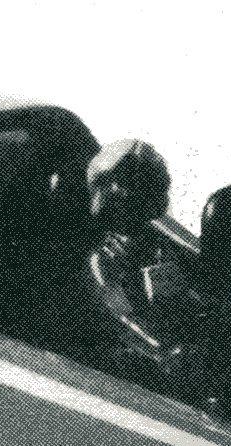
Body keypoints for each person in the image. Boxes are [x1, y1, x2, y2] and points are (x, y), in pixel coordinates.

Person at [83, 138, 197, 388]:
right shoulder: (104, 259)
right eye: (129, 183)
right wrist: (163, 351)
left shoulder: (165, 244)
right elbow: (119, 313)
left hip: (183, 350)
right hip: (146, 360)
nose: (131, 194)